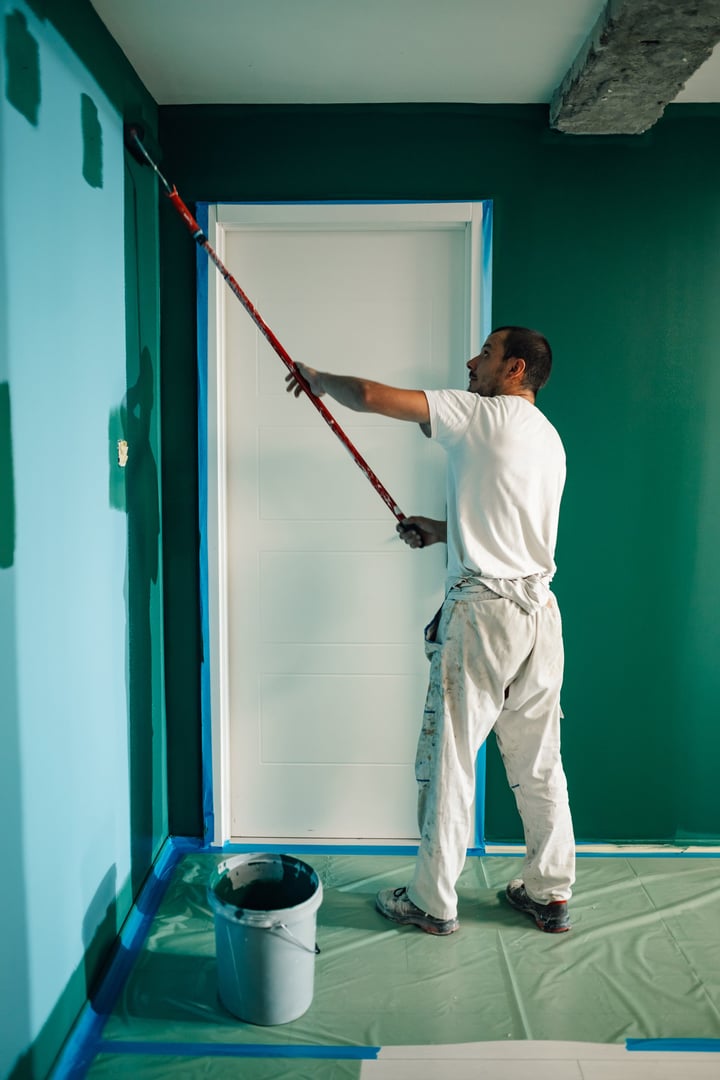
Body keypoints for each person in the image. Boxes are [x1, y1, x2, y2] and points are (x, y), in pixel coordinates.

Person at [285, 326, 575, 935]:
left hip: (484, 617)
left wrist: (318, 379)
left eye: (486, 354)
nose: (472, 361)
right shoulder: (548, 439)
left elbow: (371, 396)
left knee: (451, 760)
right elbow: (507, 526)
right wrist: (443, 531)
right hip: (538, 619)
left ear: (515, 369)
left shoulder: (480, 414)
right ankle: (550, 893)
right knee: (539, 763)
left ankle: (431, 902)